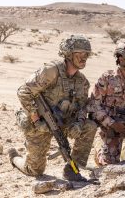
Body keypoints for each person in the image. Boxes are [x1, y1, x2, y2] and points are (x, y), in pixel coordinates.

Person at [8, 35, 97, 181]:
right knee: (35, 171)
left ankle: (72, 169)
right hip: (37, 122)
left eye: (86, 54)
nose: (84, 58)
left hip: (62, 122)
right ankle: (14, 158)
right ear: (68, 54)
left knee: (90, 126)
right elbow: (23, 92)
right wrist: (36, 120)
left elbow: (82, 107)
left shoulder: (82, 82)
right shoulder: (51, 71)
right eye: (79, 54)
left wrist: (79, 124)